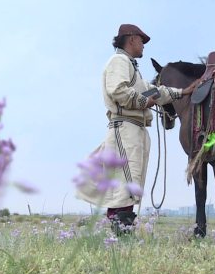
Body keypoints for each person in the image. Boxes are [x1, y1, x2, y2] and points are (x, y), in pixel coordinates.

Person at [76, 24, 199, 233]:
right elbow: (117, 91)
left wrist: (183, 92)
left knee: (130, 182)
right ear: (131, 39)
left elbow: (154, 92)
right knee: (125, 182)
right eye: (142, 41)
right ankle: (120, 234)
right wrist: (145, 102)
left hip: (134, 129)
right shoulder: (119, 61)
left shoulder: (131, 66)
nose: (143, 46)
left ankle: (121, 233)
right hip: (125, 128)